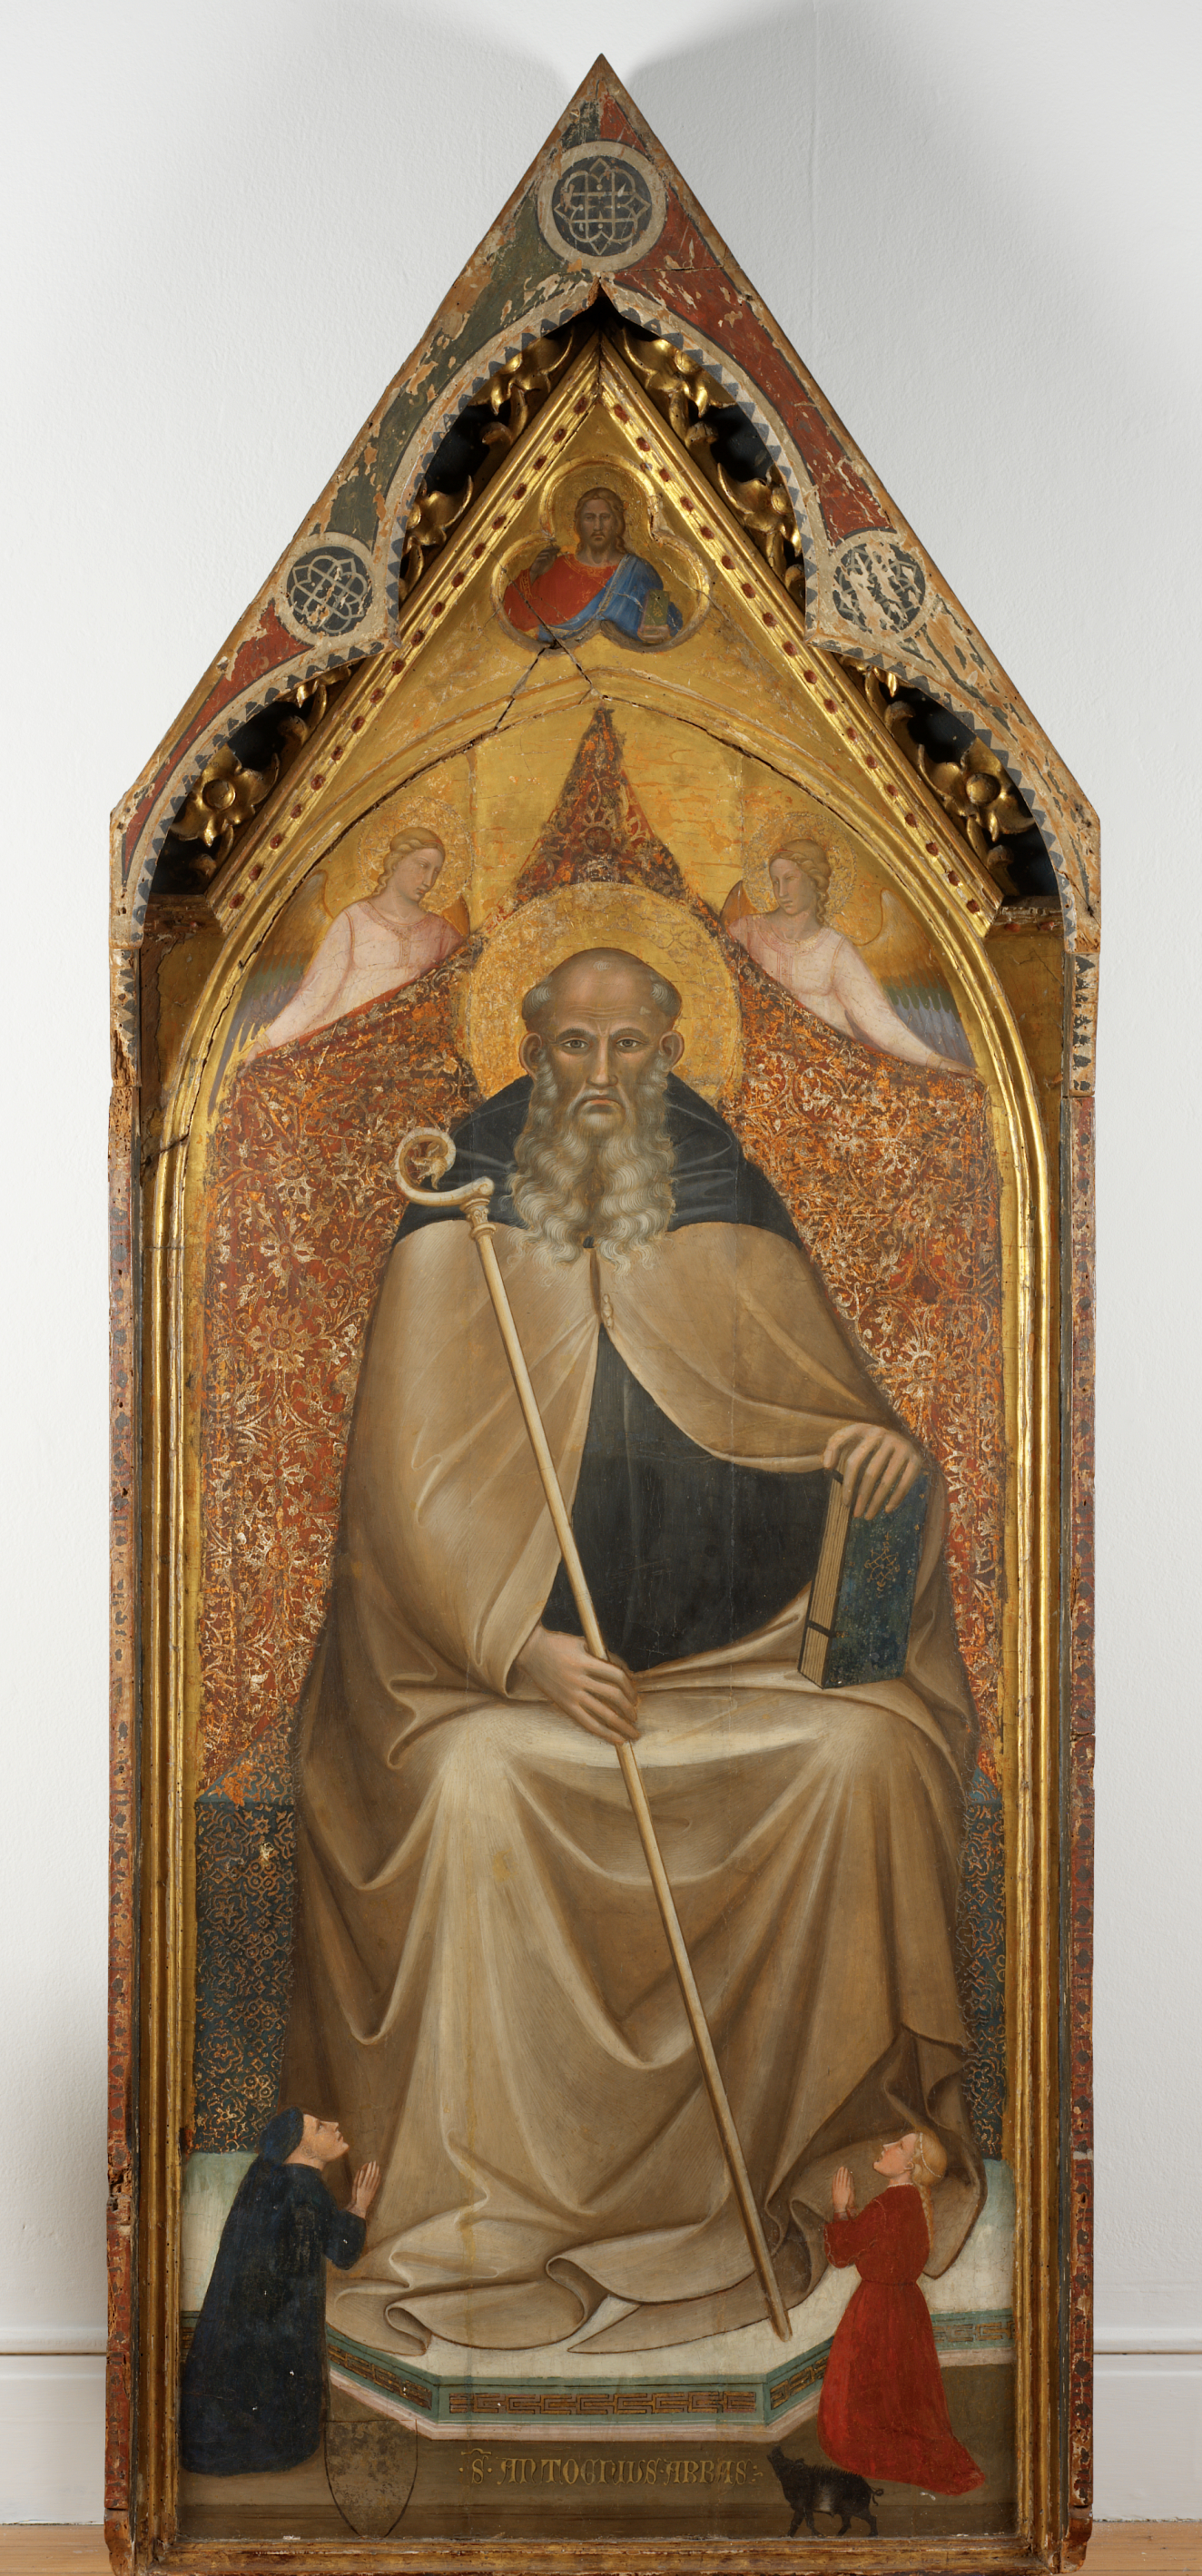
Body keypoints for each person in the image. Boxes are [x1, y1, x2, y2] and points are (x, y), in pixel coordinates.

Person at [281, 947, 983, 2359]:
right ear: (531, 1055)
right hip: (515, 1688)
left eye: (629, 1048)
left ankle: (810, 2163)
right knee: (473, 1784)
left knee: (865, 1755)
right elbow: (400, 1509)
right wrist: (519, 1650)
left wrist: (874, 1466)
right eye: (573, 1047)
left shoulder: (730, 1204)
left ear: (670, 1055)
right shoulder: (458, 1220)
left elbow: (837, 1438)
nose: (601, 1076)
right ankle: (490, 2221)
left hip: (741, 1674)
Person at [180, 2109, 379, 2476]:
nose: (334, 2125)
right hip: (282, 2321)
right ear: (303, 2149)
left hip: (254, 2318)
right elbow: (343, 2252)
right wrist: (360, 2205)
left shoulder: (270, 2179)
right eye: (319, 2127)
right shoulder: (305, 2187)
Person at [817, 2129, 985, 2493]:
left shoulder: (885, 2206)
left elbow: (842, 2253)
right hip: (908, 2310)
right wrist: (852, 2214)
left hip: (876, 2310)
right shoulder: (914, 2204)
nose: (887, 2147)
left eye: (899, 2146)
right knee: (901, 2394)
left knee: (867, 2403)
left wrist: (840, 2208)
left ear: (910, 2164)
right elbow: (880, 2247)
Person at [729, 840, 969, 1071]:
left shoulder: (835, 949)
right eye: (775, 881)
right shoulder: (747, 932)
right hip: (762, 1066)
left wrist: (936, 1061)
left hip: (828, 1070)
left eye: (790, 879)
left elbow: (879, 1021)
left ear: (814, 881)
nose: (781, 892)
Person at [246, 831, 461, 1057]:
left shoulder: (443, 934)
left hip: (412, 1055)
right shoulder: (354, 920)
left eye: (435, 872)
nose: (428, 881)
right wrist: (267, 1042)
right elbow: (316, 994)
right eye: (422, 866)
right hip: (350, 1054)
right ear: (397, 862)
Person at [502, 486, 683, 645]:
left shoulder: (638, 571)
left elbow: (662, 624)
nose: (598, 526)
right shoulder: (557, 569)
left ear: (617, 523)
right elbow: (517, 619)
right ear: (579, 524)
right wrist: (534, 573)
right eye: (589, 517)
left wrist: (659, 631)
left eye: (605, 517)